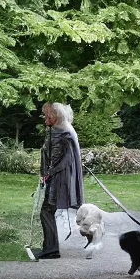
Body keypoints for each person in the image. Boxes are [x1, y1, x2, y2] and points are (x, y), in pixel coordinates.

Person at [35, 102, 85, 259]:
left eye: (47, 114)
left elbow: (59, 159)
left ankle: (51, 249)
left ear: (55, 116)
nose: (45, 118)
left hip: (59, 179)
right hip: (58, 177)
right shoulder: (62, 129)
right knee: (47, 210)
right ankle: (50, 247)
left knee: (46, 210)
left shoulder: (61, 132)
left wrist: (47, 173)